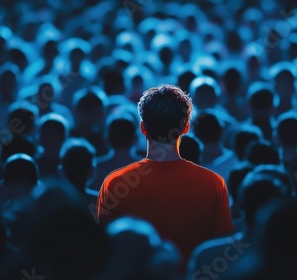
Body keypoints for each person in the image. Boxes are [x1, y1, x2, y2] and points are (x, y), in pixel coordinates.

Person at [97, 84, 234, 266]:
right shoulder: (213, 183)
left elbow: (103, 251)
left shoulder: (115, 183)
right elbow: (223, 248)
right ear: (186, 128)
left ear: (143, 128)